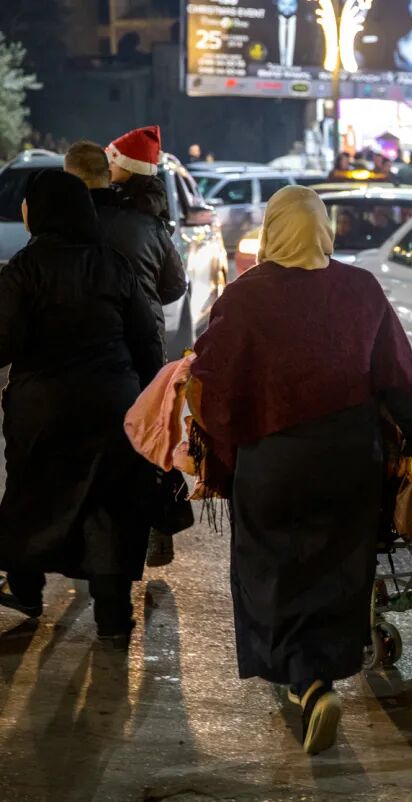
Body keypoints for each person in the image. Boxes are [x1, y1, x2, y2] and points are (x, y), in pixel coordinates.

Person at [188, 186, 412, 755]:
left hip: (274, 461)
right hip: (350, 459)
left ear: (274, 231)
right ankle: (318, 672)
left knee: (271, 567)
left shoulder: (246, 297)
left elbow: (213, 383)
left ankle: (307, 681)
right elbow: (396, 375)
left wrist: (220, 442)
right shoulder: (360, 288)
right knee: (337, 569)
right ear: (324, 230)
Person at [0, 172, 162, 646]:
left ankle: (25, 589)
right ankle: (113, 619)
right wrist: (149, 396)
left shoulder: (24, 268)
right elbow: (146, 340)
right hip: (112, 404)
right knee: (110, 506)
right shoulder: (114, 264)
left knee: (32, 495)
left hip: (42, 408)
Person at [65, 141, 191, 568]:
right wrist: (146, 294)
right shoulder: (150, 224)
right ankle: (159, 524)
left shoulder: (82, 221)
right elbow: (176, 285)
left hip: (92, 343)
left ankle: (90, 534)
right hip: (144, 344)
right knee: (150, 432)